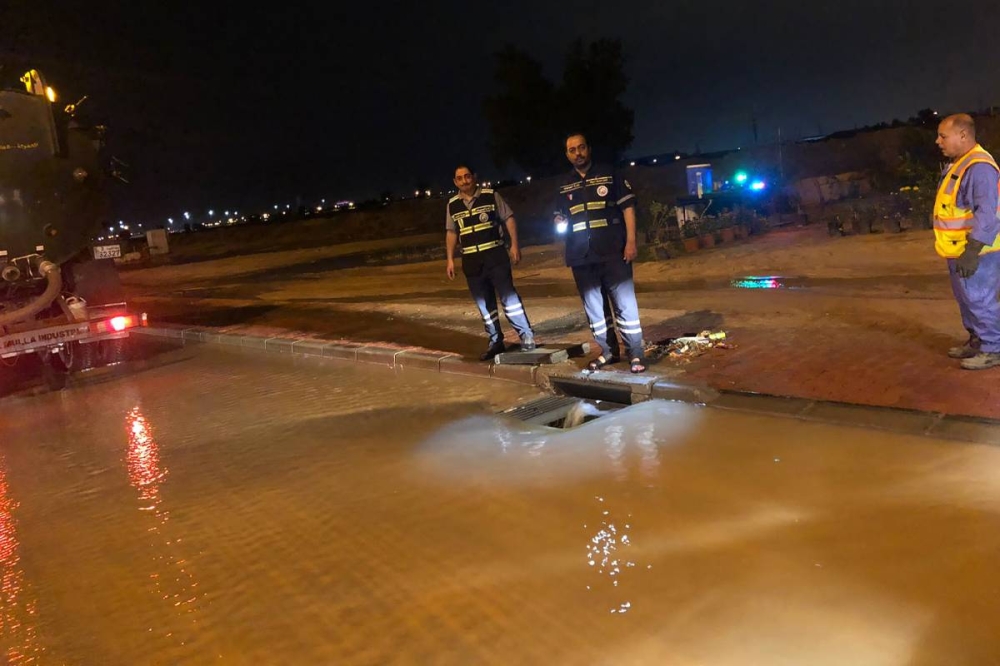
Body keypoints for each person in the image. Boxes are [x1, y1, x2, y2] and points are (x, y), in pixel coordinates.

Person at [554, 133, 646, 373]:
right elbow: (560, 214)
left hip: (613, 250)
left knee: (624, 304)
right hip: (580, 256)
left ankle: (635, 354)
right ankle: (608, 352)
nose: (578, 153)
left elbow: (628, 208)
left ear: (588, 149)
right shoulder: (564, 184)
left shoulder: (609, 173)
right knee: (594, 308)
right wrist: (558, 220)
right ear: (567, 155)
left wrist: (631, 241)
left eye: (581, 147)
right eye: (572, 150)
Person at [445, 164, 535, 361]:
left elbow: (509, 218)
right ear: (455, 182)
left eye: (467, 176)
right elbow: (451, 233)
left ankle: (526, 336)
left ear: (474, 177)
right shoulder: (452, 205)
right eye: (459, 178)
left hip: (495, 256)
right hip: (471, 261)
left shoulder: (490, 195)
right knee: (484, 305)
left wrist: (514, 245)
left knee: (509, 299)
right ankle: (495, 342)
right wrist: (450, 259)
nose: (464, 181)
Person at [933, 114, 1000, 370]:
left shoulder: (979, 167)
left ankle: (994, 348)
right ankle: (978, 341)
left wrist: (972, 251)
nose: (938, 141)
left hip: (978, 252)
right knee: (967, 300)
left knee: (980, 300)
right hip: (959, 250)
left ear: (963, 135)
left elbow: (988, 214)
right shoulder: (960, 163)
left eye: (943, 136)